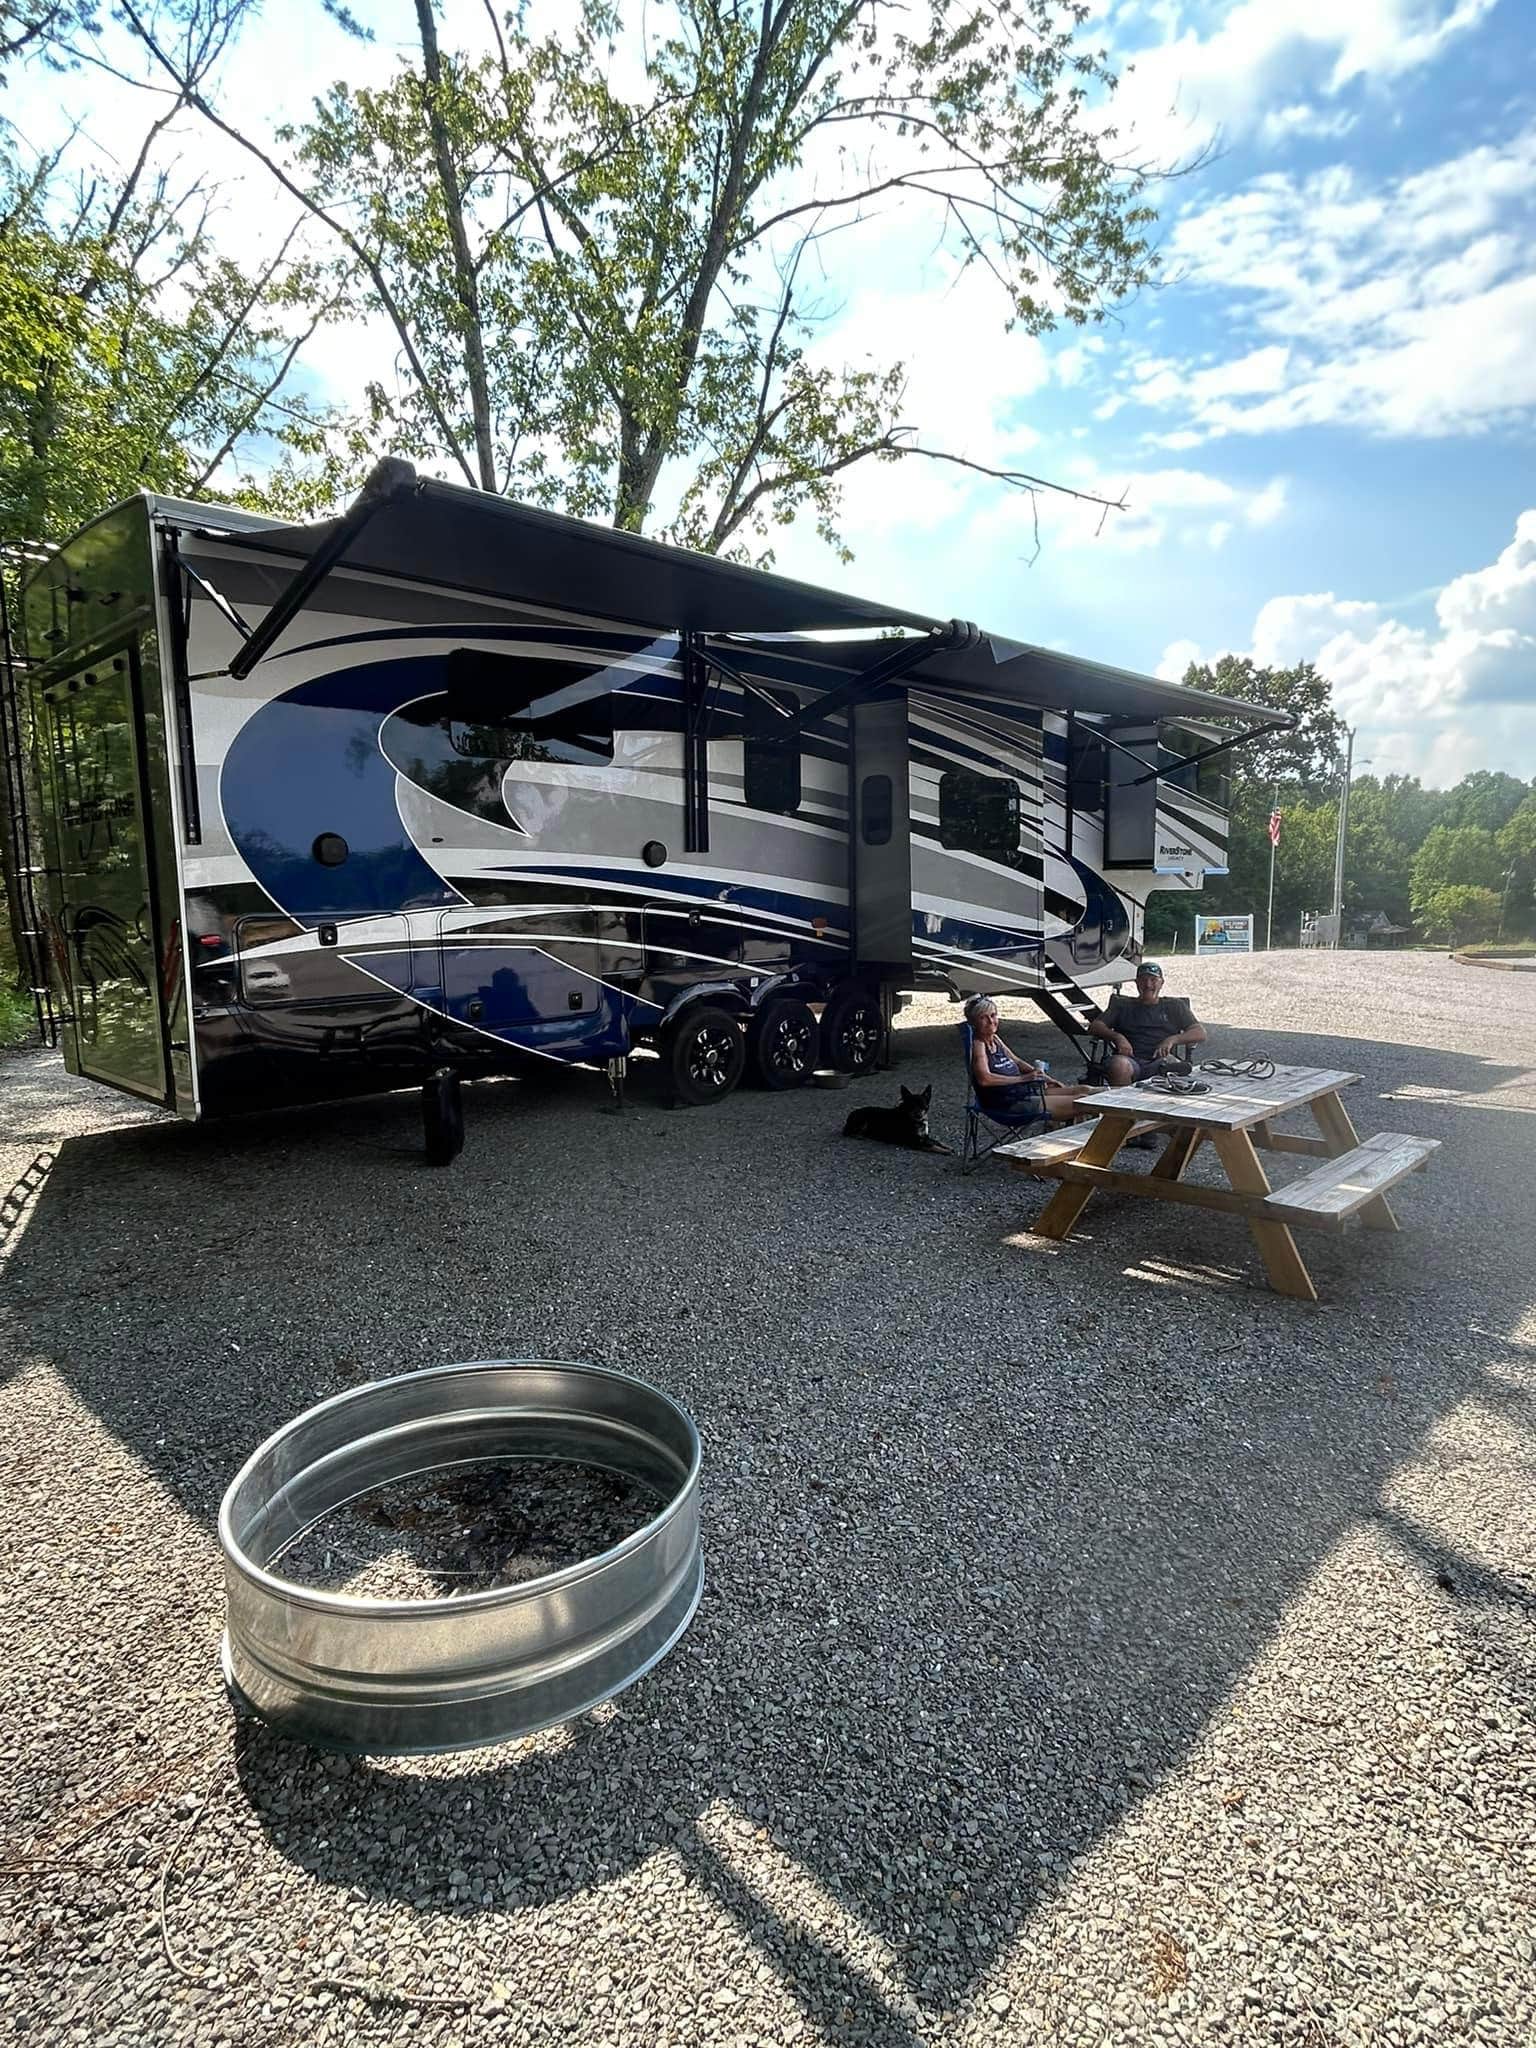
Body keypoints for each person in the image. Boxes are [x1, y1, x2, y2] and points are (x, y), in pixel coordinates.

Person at [965, 995, 1100, 1122]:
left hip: (1025, 1092)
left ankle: (1118, 1097)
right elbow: (985, 1079)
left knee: (1086, 1090)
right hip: (1010, 1103)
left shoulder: (994, 1039)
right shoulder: (978, 1044)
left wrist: (1043, 1077)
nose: (990, 1021)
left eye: (993, 1015)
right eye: (983, 1017)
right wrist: (1025, 1078)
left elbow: (1017, 1061)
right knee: (1083, 1102)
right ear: (973, 1022)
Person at [1088, 961, 1206, 1086]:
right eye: (1143, 980)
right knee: (1119, 1066)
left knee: (1173, 1066)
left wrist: (1172, 1039)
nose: (1148, 985)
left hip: (1161, 1060)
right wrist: (1117, 1037)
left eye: (1153, 980)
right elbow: (1095, 1026)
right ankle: (1123, 1103)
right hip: (1129, 1059)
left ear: (1161, 983)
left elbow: (1200, 1033)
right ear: (1137, 982)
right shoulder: (1122, 1005)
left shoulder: (1174, 1006)